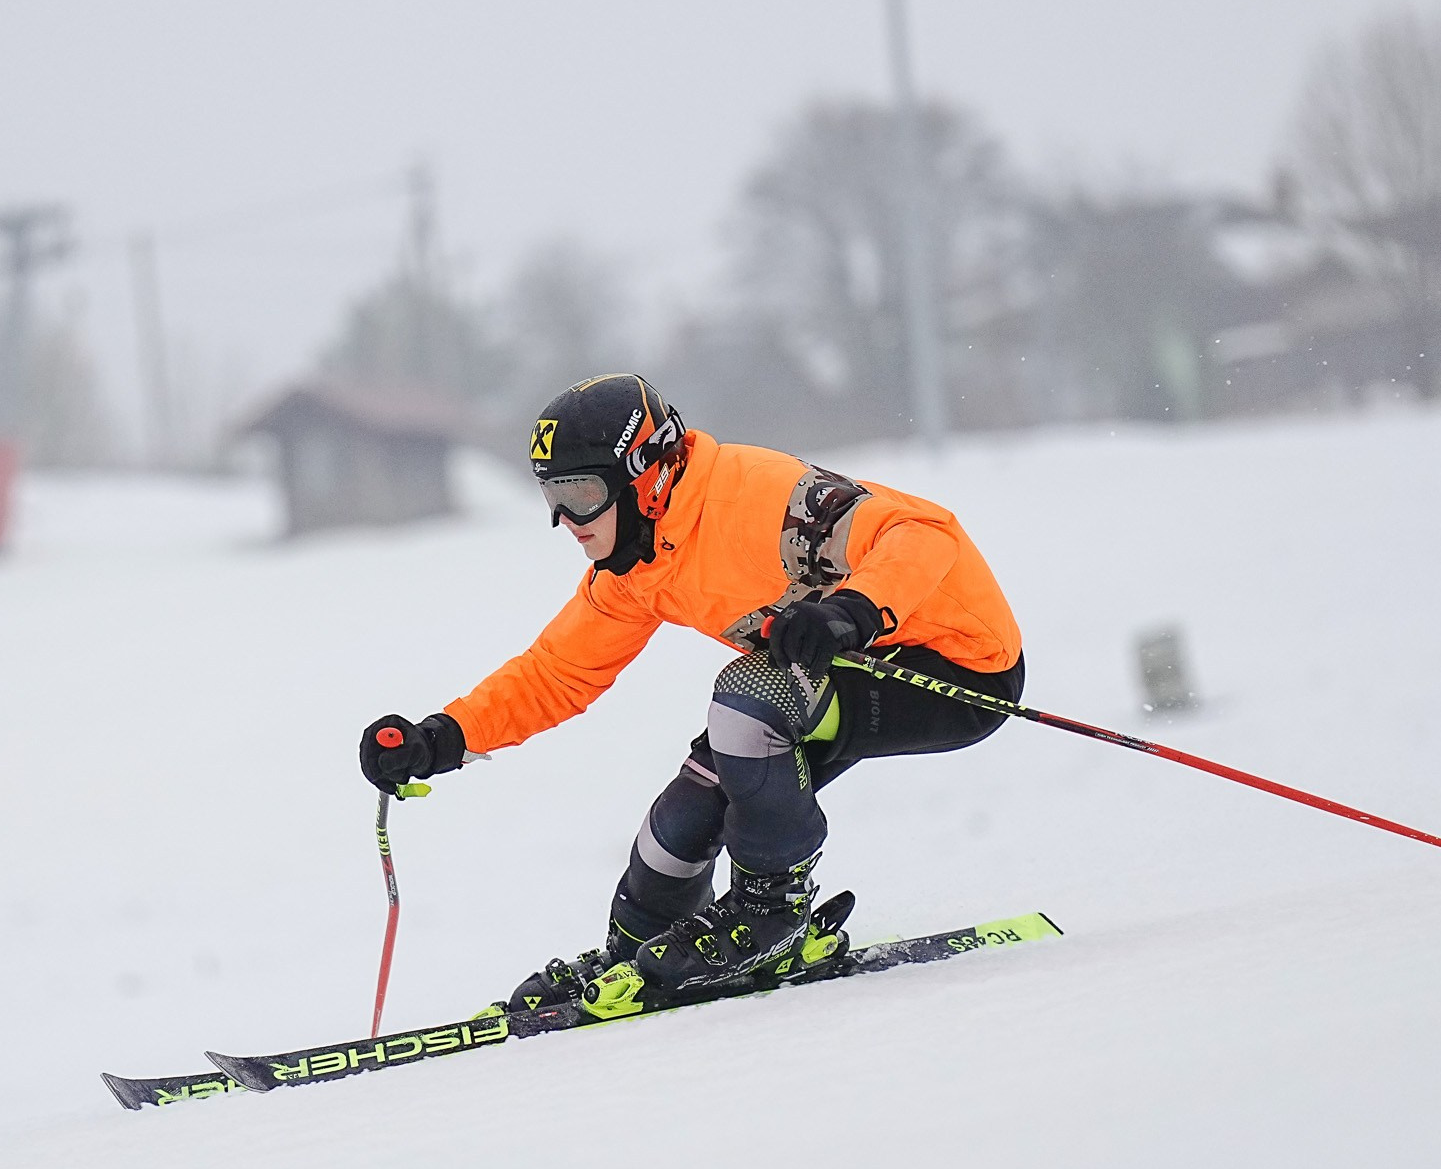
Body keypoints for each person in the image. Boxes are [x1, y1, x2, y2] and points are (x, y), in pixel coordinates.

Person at [359, 373, 1025, 1016]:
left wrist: (853, 610)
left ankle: (771, 914)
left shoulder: (758, 499)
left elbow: (922, 532)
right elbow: (557, 672)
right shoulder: (638, 562)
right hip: (837, 671)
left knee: (747, 697)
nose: (564, 519)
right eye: (551, 495)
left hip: (955, 666)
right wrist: (441, 737)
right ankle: (637, 951)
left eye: (581, 492)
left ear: (645, 474)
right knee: (677, 826)